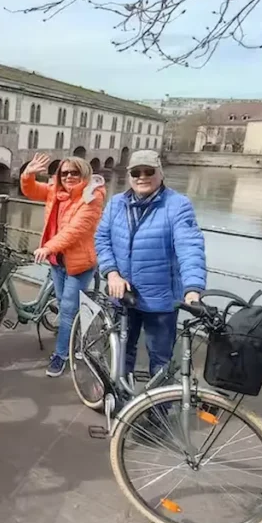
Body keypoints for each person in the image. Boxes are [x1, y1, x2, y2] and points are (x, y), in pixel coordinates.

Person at [95, 149, 207, 376]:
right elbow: (102, 239)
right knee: (121, 351)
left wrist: (193, 289)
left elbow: (190, 247)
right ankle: (119, 399)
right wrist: (112, 273)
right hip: (123, 294)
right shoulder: (117, 203)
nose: (142, 176)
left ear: (161, 174)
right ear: (129, 176)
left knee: (161, 358)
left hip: (161, 300)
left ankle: (159, 409)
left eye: (149, 171)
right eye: (136, 172)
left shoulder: (177, 205)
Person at [21, 153, 106, 377]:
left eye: (74, 173)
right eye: (64, 172)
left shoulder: (92, 197)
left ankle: (61, 355)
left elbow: (75, 230)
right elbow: (30, 191)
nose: (68, 176)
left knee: (67, 308)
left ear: (84, 174)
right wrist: (28, 174)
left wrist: (48, 247)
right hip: (57, 261)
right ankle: (79, 333)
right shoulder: (55, 192)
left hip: (79, 262)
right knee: (63, 302)